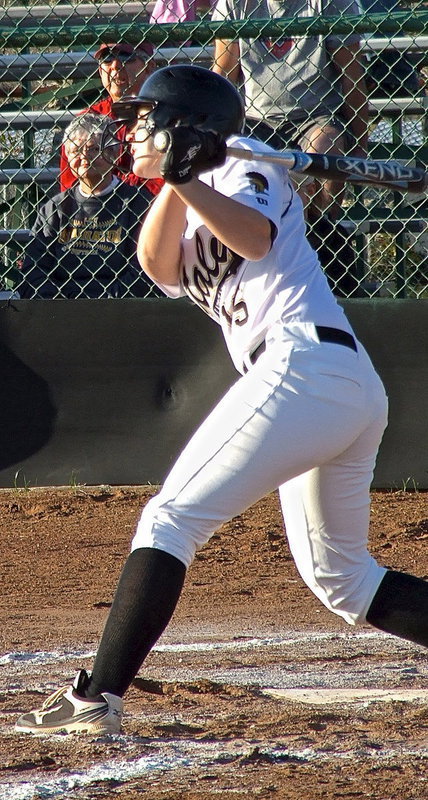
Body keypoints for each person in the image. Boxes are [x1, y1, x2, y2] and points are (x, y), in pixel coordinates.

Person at [15, 66, 428, 735]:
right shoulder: (201, 180)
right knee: (344, 579)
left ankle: (96, 699)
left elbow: (255, 239)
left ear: (185, 125)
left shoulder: (251, 172)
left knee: (169, 518)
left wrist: (189, 174)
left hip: (305, 365)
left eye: (151, 118)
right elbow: (159, 265)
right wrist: (179, 177)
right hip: (327, 382)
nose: (136, 129)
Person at [211, 0, 369, 295]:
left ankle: (323, 235)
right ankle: (263, 250)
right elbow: (222, 75)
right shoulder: (235, 4)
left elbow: (352, 74)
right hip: (256, 119)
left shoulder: (331, 3)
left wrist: (360, 142)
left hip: (317, 114)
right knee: (240, 159)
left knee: (326, 146)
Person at [19, 114, 159, 298]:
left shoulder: (139, 203)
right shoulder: (55, 208)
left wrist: (105, 301)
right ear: (68, 157)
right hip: (62, 307)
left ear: (113, 154)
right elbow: (34, 269)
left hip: (122, 308)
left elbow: (146, 268)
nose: (85, 157)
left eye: (94, 149)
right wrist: (59, 300)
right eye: (76, 150)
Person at [59, 41, 163, 197]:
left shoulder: (166, 115)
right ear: (100, 71)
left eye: (126, 58)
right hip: (97, 211)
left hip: (153, 211)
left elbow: (166, 182)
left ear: (149, 67)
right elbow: (71, 188)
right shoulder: (88, 119)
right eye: (107, 59)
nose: (115, 66)